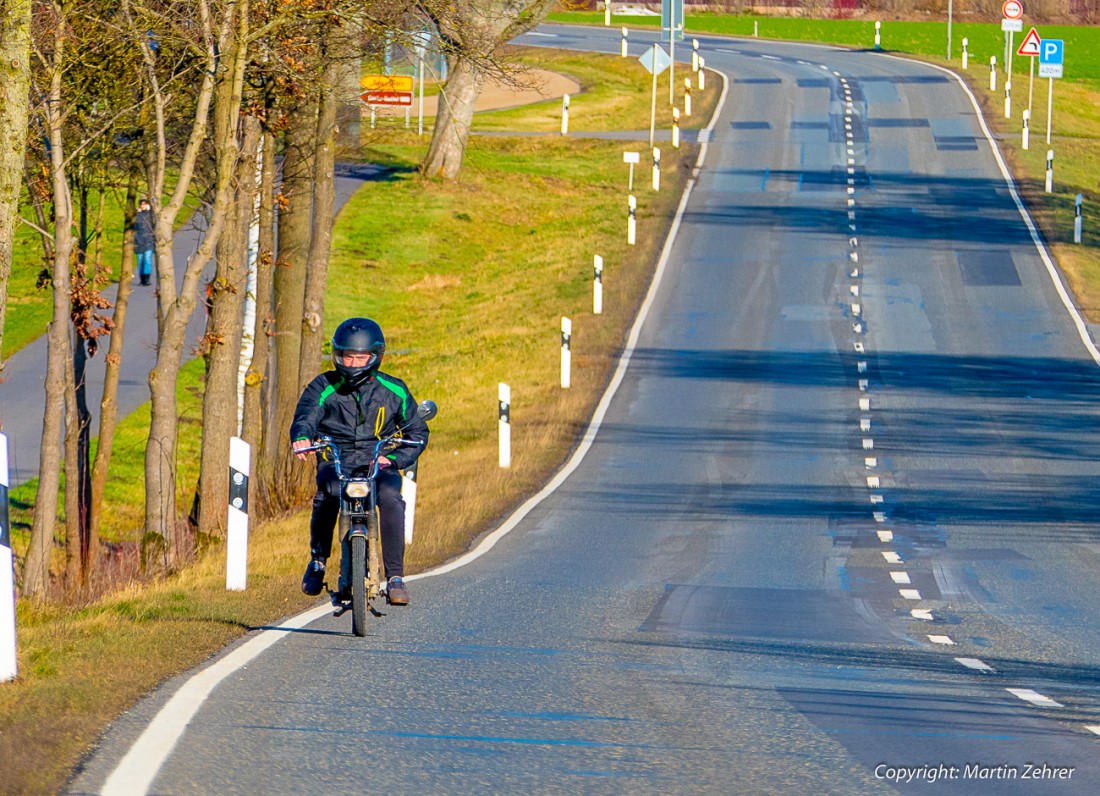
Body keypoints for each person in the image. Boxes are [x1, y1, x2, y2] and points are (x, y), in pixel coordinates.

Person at [290, 317, 429, 605]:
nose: (353, 363)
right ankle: (318, 561)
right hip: (336, 460)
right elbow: (306, 414)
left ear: (375, 356)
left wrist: (393, 457)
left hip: (381, 463)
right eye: (347, 357)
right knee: (327, 494)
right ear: (337, 355)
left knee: (391, 497)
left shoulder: (395, 390)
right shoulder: (323, 386)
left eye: (360, 357)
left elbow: (417, 431)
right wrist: (302, 436)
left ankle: (395, 578)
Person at [134, 198, 155, 286]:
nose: (143, 206)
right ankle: (142, 278)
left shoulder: (151, 215)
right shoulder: (137, 216)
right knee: (140, 260)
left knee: (147, 259)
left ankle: (146, 279)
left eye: (144, 204)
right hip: (138, 240)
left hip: (149, 240)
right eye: (141, 204)